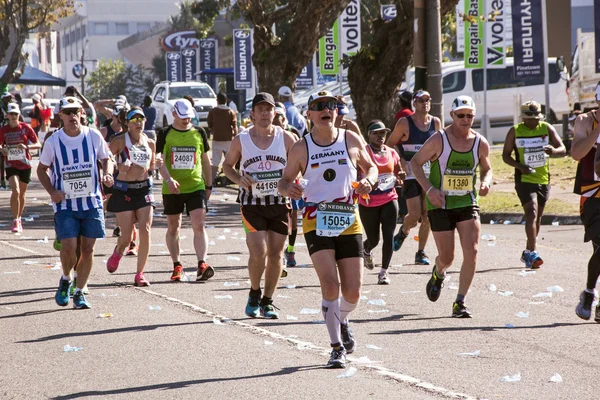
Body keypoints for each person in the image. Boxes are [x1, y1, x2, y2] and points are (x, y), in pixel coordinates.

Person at [278, 90, 377, 368]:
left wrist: (369, 180)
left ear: (337, 112)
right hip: (316, 220)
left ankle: (342, 319)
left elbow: (371, 168)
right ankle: (336, 347)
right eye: (319, 106)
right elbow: (283, 182)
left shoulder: (351, 138)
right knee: (330, 284)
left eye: (331, 105)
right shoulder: (301, 147)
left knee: (354, 292)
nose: (327, 109)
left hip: (348, 219)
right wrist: (291, 188)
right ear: (309, 114)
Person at [410, 95, 492, 318]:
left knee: (472, 251)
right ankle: (438, 272)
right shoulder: (439, 139)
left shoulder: (479, 142)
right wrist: (429, 190)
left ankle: (460, 302)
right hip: (440, 204)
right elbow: (415, 163)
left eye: (470, 116)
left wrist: (486, 181)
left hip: (467, 202)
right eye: (461, 115)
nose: (466, 120)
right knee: (447, 258)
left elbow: (487, 167)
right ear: (452, 116)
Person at [223, 92, 296, 319]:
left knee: (276, 254)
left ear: (275, 113)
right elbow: (227, 166)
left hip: (279, 202)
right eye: (260, 109)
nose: (265, 113)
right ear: (252, 114)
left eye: (269, 109)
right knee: (259, 251)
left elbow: (300, 165)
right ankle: (254, 293)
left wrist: (293, 181)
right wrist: (237, 179)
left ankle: (267, 301)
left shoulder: (286, 138)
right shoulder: (241, 140)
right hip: (252, 202)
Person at [37, 96, 113, 309]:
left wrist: (107, 175)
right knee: (69, 246)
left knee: (87, 249)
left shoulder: (93, 136)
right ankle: (66, 278)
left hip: (91, 202)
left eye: (75, 111)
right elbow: (41, 169)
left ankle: (80, 291)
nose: (72, 116)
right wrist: (52, 191)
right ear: (60, 115)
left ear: (82, 113)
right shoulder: (53, 141)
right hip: (65, 204)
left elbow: (106, 159)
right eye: (67, 112)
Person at [502, 100, 566, 268]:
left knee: (537, 219)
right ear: (523, 118)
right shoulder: (515, 131)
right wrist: (520, 167)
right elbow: (506, 156)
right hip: (524, 179)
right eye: (529, 119)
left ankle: (528, 252)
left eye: (536, 119)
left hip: (543, 179)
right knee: (531, 213)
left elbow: (563, 148)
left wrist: (553, 151)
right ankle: (534, 252)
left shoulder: (546, 128)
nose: (533, 122)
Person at [156, 99, 214, 282]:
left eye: (188, 117)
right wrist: (168, 179)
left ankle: (202, 264)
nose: (186, 120)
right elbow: (160, 161)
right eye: (182, 117)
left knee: (199, 223)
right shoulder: (165, 133)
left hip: (196, 185)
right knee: (174, 227)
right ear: (173, 114)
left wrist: (209, 184)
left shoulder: (199, 132)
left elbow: (205, 160)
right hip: (172, 188)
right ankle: (177, 265)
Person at [386, 90, 441, 265]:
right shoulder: (405, 123)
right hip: (411, 173)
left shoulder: (435, 122)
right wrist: (400, 159)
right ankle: (404, 230)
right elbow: (389, 144)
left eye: (428, 99)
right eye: (421, 100)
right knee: (415, 214)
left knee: (428, 216)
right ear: (414, 104)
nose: (425, 103)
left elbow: (440, 146)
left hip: (429, 173)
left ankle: (421, 252)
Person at [106, 107, 156, 286]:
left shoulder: (150, 142)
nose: (138, 123)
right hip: (124, 190)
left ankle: (140, 274)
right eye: (134, 120)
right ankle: (119, 251)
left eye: (141, 119)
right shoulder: (120, 141)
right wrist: (116, 169)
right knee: (126, 237)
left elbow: (150, 167)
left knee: (145, 230)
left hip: (144, 190)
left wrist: (156, 167)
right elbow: (107, 159)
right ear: (127, 123)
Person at [359, 120, 404, 285]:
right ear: (369, 135)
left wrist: (400, 177)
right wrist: (368, 182)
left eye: (383, 133)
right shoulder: (363, 152)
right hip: (369, 202)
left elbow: (398, 170)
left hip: (389, 199)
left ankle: (384, 272)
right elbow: (354, 176)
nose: (380, 136)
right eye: (376, 133)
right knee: (374, 239)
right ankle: (366, 248)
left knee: (388, 236)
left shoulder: (391, 152)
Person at [572, 82, 600, 321]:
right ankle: (590, 292)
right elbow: (577, 153)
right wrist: (596, 133)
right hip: (592, 194)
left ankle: (593, 297)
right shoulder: (584, 120)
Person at [0, 103, 41, 232]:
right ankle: (15, 220)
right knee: (15, 190)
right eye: (11, 114)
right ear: (7, 116)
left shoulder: (26, 128)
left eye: (15, 114)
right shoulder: (4, 130)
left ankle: (20, 217)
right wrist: (2, 150)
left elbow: (38, 144)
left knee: (22, 194)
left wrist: (26, 147)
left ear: (19, 115)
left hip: (25, 164)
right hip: (11, 164)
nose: (13, 116)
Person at [273, 102, 301, 268]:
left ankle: (290, 250)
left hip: (292, 180)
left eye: (280, 117)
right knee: (281, 217)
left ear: (285, 118)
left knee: (294, 216)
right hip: (273, 183)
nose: (277, 120)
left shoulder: (293, 133)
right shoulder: (268, 135)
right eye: (275, 117)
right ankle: (278, 251)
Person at [208, 92, 238, 183]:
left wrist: (213, 131)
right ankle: (232, 180)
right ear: (226, 100)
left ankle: (211, 181)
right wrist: (235, 137)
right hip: (228, 140)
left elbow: (210, 125)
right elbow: (234, 126)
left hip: (217, 139)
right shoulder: (230, 112)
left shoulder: (213, 111)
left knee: (215, 162)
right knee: (230, 162)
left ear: (217, 100)